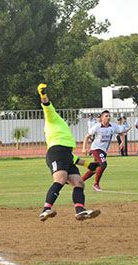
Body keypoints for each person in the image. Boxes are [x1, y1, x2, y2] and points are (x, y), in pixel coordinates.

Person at [36, 83, 101, 222]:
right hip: (56, 152)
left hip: (65, 153)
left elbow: (71, 158)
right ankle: (46, 209)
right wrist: (43, 94)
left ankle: (80, 210)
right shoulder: (52, 117)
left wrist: (88, 164)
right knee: (60, 178)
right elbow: (46, 106)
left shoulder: (62, 125)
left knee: (79, 182)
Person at [81, 110, 126, 191]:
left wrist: (122, 142)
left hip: (104, 150)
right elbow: (87, 136)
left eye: (109, 116)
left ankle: (79, 181)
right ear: (101, 118)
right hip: (96, 149)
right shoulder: (97, 127)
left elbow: (121, 132)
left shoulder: (113, 126)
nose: (108, 117)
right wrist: (84, 148)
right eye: (106, 116)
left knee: (95, 168)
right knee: (103, 164)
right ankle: (96, 184)